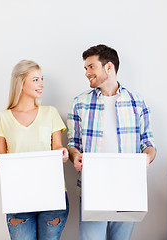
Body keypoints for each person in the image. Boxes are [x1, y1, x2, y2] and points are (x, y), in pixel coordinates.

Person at [67, 44, 156, 240]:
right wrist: (75, 156)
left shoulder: (137, 102)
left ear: (108, 67)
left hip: (128, 186)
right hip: (93, 188)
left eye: (91, 67)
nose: (87, 73)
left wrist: (147, 158)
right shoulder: (79, 103)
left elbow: (148, 143)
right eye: (85, 69)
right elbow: (73, 144)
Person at [0, 60, 69, 240]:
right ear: (20, 83)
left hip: (51, 195)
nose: (42, 84)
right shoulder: (2, 118)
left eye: (42, 79)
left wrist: (63, 152)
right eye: (36, 79)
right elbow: (1, 157)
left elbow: (57, 147)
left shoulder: (50, 113)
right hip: (18, 196)